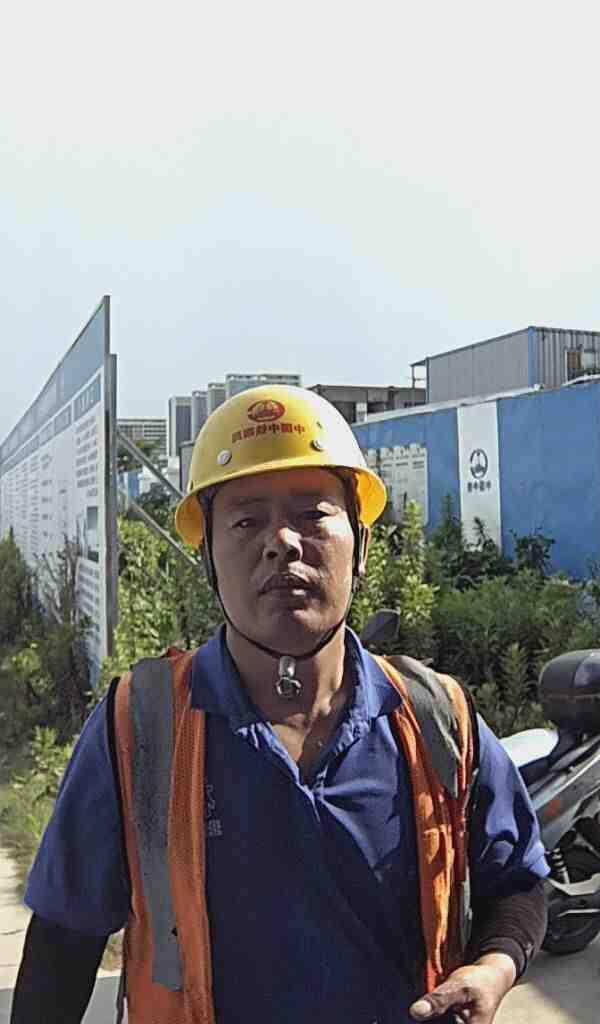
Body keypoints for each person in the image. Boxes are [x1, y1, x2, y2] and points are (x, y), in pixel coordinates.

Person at [11, 385, 549, 1024]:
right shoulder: (141, 727)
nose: (282, 542)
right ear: (209, 557)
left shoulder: (435, 718)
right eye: (246, 521)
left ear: (361, 546)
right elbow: (64, 941)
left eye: (313, 514)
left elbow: (517, 881)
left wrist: (494, 967)